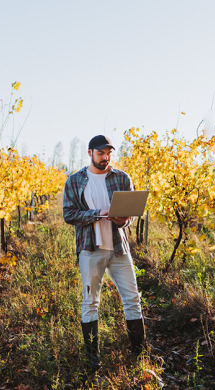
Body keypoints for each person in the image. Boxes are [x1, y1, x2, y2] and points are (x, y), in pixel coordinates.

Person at [62, 134, 146, 371]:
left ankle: (139, 354)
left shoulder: (122, 178)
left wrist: (123, 220)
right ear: (90, 153)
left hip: (119, 247)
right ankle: (93, 359)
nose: (105, 158)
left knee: (132, 299)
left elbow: (128, 216)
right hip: (90, 248)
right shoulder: (75, 181)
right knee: (91, 302)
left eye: (108, 153)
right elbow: (69, 214)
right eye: (100, 153)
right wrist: (99, 213)